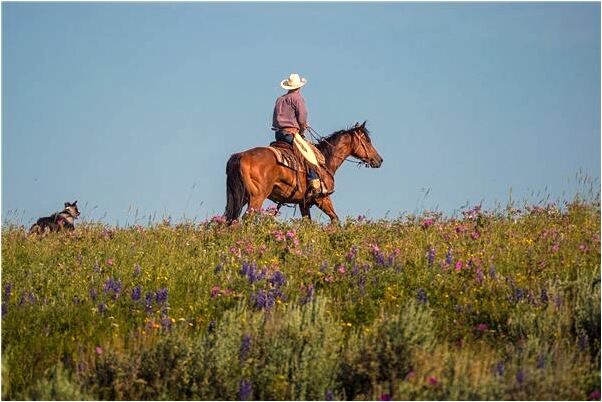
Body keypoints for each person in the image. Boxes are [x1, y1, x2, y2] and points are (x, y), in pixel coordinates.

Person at [272, 73, 327, 198]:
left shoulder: (280, 99)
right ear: (300, 87)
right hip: (291, 133)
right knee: (309, 154)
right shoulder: (297, 98)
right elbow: (302, 117)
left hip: (279, 134)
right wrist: (302, 131)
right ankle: (315, 184)